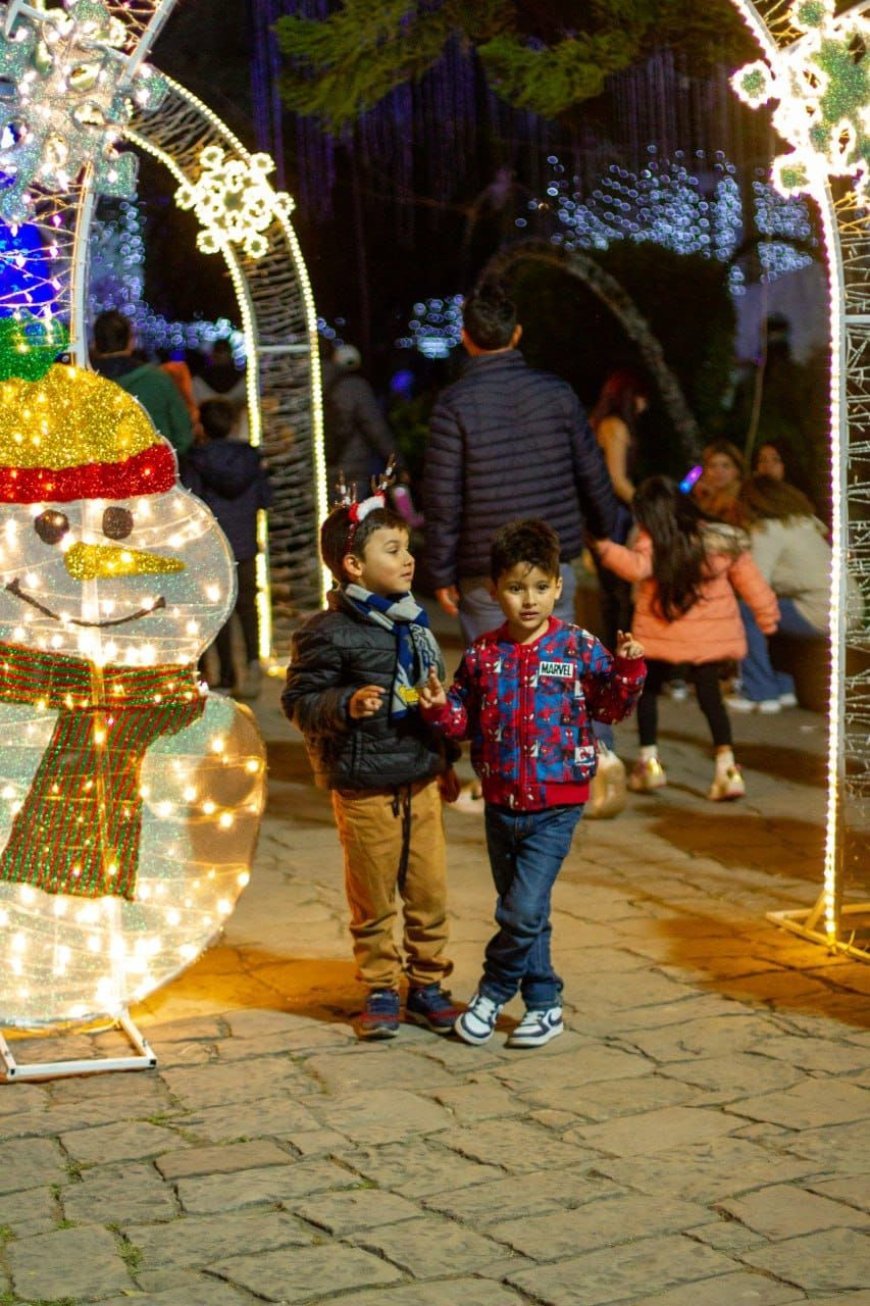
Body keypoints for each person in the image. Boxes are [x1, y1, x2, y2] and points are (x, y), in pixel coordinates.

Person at [419, 519, 645, 1048]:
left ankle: (492, 991)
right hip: (500, 801)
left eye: (540, 587)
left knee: (519, 909)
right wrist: (436, 710)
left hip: (558, 802)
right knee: (529, 913)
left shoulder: (578, 647)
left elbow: (612, 706)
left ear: (558, 587)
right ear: (494, 588)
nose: (529, 600)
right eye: (516, 587)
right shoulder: (482, 656)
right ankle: (544, 1005)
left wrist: (629, 671)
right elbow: (463, 719)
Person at [282, 490, 460, 1040]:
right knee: (375, 896)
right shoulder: (327, 632)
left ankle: (428, 985)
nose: (408, 560)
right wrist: (346, 703)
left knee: (429, 893)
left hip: (420, 778)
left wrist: (446, 752)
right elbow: (299, 702)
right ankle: (381, 988)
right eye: (392, 550)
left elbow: (437, 698)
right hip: (364, 787)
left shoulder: (415, 625)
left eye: (407, 548)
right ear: (354, 565)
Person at [422, 284, 617, 646]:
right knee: (555, 668)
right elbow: (591, 469)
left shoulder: (454, 405)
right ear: (517, 333)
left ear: (465, 338)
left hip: (486, 566)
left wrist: (441, 573)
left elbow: (442, 499)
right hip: (551, 556)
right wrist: (606, 529)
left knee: (492, 675)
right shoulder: (557, 393)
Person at [592, 476, 779, 801]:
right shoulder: (719, 540)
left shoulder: (655, 541)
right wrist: (767, 616)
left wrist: (603, 548)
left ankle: (649, 763)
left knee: (647, 692)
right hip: (708, 640)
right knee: (711, 699)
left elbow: (635, 568)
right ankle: (727, 768)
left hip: (660, 635)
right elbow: (750, 581)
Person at [183, 399, 273, 699]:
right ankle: (252, 663)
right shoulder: (250, 458)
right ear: (234, 425)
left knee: (218, 608)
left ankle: (224, 673)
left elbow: (191, 502)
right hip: (245, 542)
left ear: (202, 427)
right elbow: (264, 499)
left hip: (212, 546)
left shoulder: (195, 461)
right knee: (248, 606)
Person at [726, 474, 831, 713]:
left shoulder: (767, 530)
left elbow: (754, 585)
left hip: (817, 611)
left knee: (747, 610)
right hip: (839, 608)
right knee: (774, 611)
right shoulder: (802, 523)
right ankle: (782, 687)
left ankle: (760, 691)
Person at [91, 311, 193, 456]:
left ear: (95, 343)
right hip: (153, 469)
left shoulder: (83, 383)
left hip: (100, 473)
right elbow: (182, 436)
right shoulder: (158, 379)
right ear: (130, 342)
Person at [322, 342, 399, 491]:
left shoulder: (312, 384)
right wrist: (397, 463)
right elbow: (376, 429)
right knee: (351, 512)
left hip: (320, 464)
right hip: (352, 467)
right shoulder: (356, 387)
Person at [192, 338, 249, 441]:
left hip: (211, 437)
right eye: (219, 352)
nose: (221, 356)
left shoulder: (198, 382)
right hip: (236, 436)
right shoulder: (245, 382)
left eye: (223, 352)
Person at [692, 440, 745, 524]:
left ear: (737, 470)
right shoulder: (702, 497)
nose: (719, 471)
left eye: (726, 466)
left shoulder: (743, 500)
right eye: (712, 466)